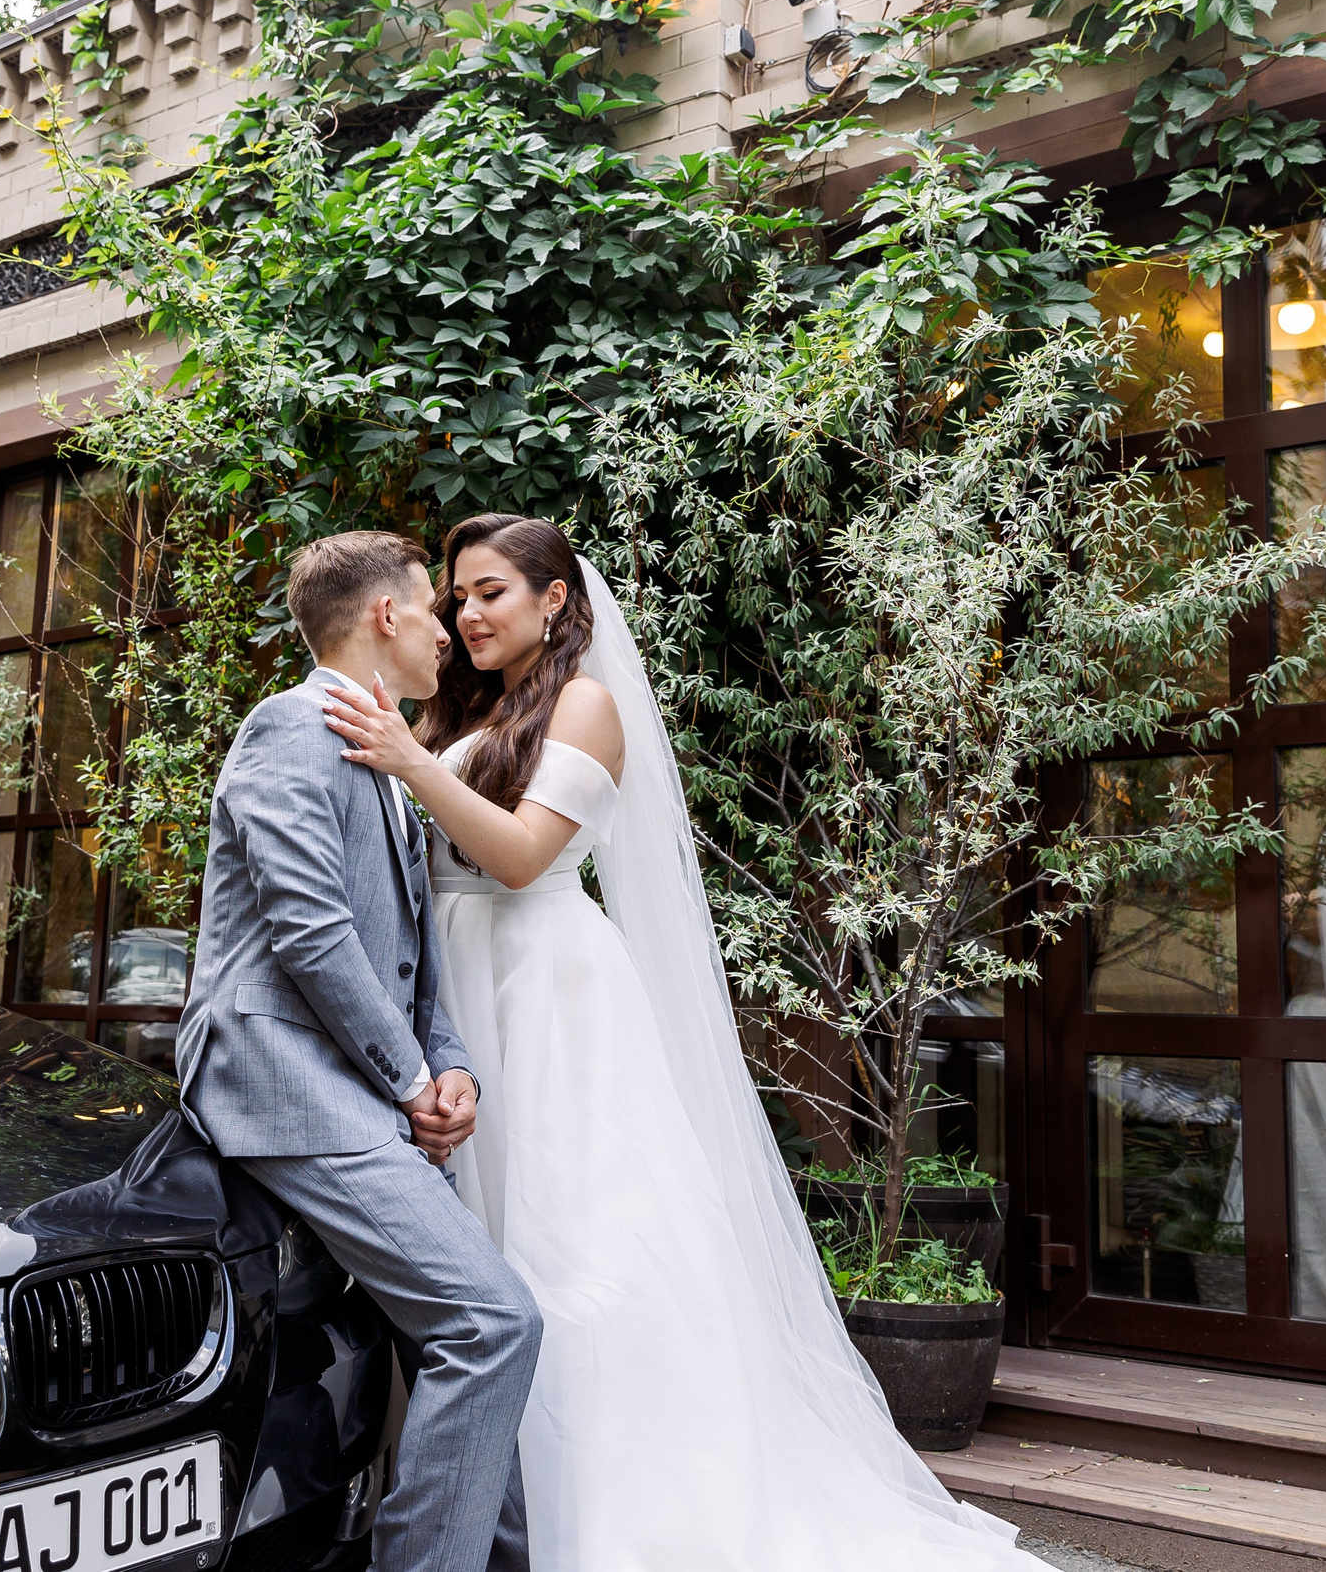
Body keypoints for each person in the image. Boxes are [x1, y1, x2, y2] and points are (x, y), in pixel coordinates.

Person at [319, 513, 1051, 1570]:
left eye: (490, 592)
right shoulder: (456, 713)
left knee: (574, 1241)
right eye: (458, 596)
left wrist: (406, 759)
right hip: (454, 991)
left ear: (554, 599)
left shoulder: (586, 705)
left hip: (546, 992)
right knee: (478, 1249)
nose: (467, 613)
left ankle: (620, 1511)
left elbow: (524, 856)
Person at [174, 529, 541, 1572]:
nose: (449, 635)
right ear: (386, 616)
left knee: (462, 1334)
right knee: (491, 1322)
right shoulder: (286, 728)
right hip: (279, 1079)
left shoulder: (390, 754)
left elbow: (416, 963)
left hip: (363, 1090)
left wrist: (452, 1063)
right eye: (434, 612)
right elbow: (310, 931)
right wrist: (415, 1080)